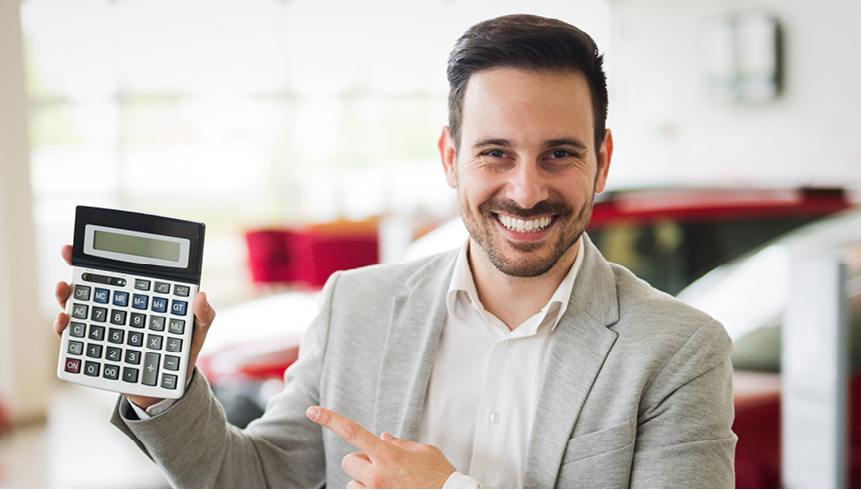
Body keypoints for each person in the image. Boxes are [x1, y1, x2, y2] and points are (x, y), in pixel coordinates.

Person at [52, 13, 736, 489]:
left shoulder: (677, 351)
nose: (526, 192)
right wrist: (160, 388)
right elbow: (255, 480)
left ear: (603, 159)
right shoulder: (359, 306)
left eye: (559, 155)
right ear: (450, 157)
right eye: (495, 154)